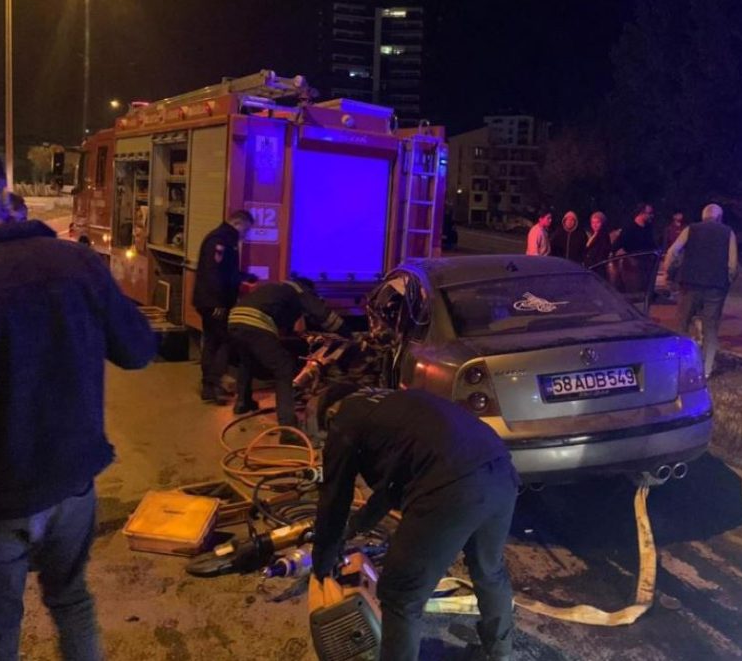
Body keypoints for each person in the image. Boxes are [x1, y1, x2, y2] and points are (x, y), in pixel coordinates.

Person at [0, 149, 157, 660]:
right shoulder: (75, 263)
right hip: (73, 486)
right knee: (72, 600)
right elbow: (138, 350)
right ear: (4, 195)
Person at [312, 388, 518, 661]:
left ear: (330, 413)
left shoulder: (343, 420)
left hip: (451, 486)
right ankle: (499, 654)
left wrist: (322, 559)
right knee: (489, 570)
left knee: (400, 595)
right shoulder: (391, 406)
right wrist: (356, 526)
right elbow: (394, 484)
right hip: (500, 469)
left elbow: (334, 496)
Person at [227, 277, 350, 422]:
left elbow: (284, 321)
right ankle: (287, 423)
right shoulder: (300, 290)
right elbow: (323, 315)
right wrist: (347, 333)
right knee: (284, 367)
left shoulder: (278, 289)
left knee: (247, 361)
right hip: (254, 322)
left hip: (234, 320)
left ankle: (243, 402)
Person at [663, 203, 738, 378]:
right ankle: (706, 369)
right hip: (715, 288)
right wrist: (727, 281)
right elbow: (733, 264)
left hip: (689, 284)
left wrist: (669, 272)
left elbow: (673, 251)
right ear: (719, 218)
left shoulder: (691, 229)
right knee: (710, 328)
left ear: (703, 216)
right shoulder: (728, 233)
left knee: (683, 324)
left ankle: (681, 364)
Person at [192, 210, 255, 404]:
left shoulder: (226, 239)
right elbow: (213, 273)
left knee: (213, 341)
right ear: (238, 223)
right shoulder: (220, 240)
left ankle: (210, 386)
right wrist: (217, 303)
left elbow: (227, 272)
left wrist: (245, 277)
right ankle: (213, 384)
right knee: (222, 342)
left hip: (212, 302)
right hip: (214, 303)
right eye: (246, 230)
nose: (246, 235)